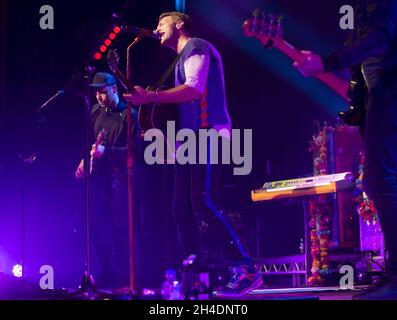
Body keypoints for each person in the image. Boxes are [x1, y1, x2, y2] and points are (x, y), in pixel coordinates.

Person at [124, 12, 263, 295]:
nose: (156, 28)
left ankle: (246, 268)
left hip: (208, 131)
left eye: (162, 23)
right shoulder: (181, 57)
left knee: (203, 202)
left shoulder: (196, 46)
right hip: (190, 138)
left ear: (180, 24)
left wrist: (150, 97)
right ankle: (197, 273)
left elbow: (194, 89)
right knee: (181, 208)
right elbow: (181, 107)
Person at [294, 0, 397, 299]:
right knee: (380, 182)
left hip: (390, 91)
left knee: (381, 181)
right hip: (380, 93)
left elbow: (380, 38)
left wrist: (326, 63)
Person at [75, 72, 138, 291]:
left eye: (103, 91)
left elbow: (136, 152)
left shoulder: (130, 114)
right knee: (96, 227)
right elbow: (93, 141)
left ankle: (127, 279)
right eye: (96, 92)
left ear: (114, 89)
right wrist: (86, 158)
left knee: (122, 230)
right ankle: (107, 273)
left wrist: (107, 151)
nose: (99, 96)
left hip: (121, 179)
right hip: (99, 179)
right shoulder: (95, 111)